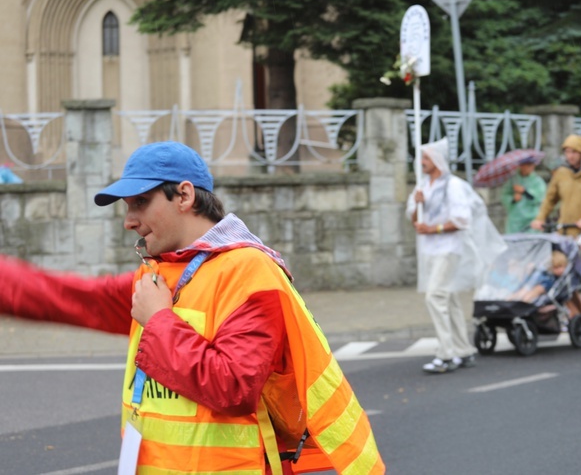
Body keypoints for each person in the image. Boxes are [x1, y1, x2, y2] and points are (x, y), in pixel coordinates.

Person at [0, 142, 384, 475]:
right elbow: (68, 296)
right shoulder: (162, 272)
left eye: (140, 203)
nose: (128, 221)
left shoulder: (249, 270)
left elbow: (233, 387)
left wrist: (159, 321)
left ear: (184, 196)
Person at [407, 138, 505, 374]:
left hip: (448, 249)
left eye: (427, 158)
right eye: (422, 158)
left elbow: (462, 220)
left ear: (438, 160)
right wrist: (418, 208)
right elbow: (415, 219)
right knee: (448, 298)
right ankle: (463, 350)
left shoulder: (453, 186)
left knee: (435, 296)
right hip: (430, 250)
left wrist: (433, 229)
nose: (422, 162)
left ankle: (446, 353)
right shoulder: (423, 185)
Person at [530, 134, 581, 343]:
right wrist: (540, 218)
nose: (570, 156)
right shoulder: (561, 174)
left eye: (574, 152)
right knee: (566, 278)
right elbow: (550, 199)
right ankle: (579, 316)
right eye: (567, 151)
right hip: (565, 235)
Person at [499, 155, 546, 233]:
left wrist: (525, 191)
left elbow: (540, 197)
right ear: (521, 166)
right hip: (515, 220)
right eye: (528, 165)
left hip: (532, 218)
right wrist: (513, 199)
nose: (531, 168)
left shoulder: (537, 181)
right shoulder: (512, 180)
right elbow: (504, 195)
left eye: (532, 165)